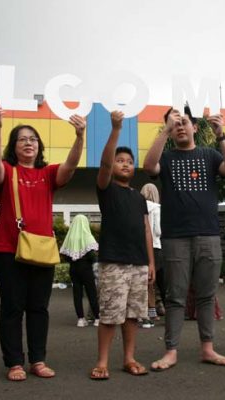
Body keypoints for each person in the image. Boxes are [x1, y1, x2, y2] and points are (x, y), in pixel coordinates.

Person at [0, 105, 85, 381]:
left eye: (33, 139)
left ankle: (38, 360)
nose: (29, 143)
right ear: (13, 147)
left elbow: (71, 166)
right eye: (22, 139)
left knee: (39, 308)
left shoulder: (48, 173)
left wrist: (80, 136)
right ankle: (14, 363)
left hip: (41, 249)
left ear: (39, 145)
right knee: (12, 307)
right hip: (8, 249)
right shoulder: (8, 171)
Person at [143, 106, 225, 371]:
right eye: (174, 123)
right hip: (175, 237)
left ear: (195, 127)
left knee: (206, 296)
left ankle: (207, 348)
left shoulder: (209, 155)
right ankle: (171, 350)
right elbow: (148, 166)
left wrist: (221, 133)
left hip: (208, 235)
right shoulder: (166, 158)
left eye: (184, 121)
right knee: (175, 296)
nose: (180, 126)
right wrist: (164, 130)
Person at [90, 111, 155, 380]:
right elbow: (104, 165)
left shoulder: (139, 197)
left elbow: (146, 230)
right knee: (109, 315)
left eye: (129, 161)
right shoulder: (107, 189)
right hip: (113, 261)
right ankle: (102, 362)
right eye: (120, 160)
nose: (125, 164)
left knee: (132, 315)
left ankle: (129, 358)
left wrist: (151, 263)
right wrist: (116, 130)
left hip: (139, 263)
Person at [60, 214, 100, 327]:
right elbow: (93, 254)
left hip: (74, 268)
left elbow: (65, 255)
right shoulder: (87, 235)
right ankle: (97, 318)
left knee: (77, 294)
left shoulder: (70, 236)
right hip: (86, 268)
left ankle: (80, 319)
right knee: (91, 292)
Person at [140, 183, 164, 328]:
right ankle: (155, 311)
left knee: (144, 283)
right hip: (155, 246)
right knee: (157, 281)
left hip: (140, 247)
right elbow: (158, 231)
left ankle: (147, 312)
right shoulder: (157, 208)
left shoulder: (138, 207)